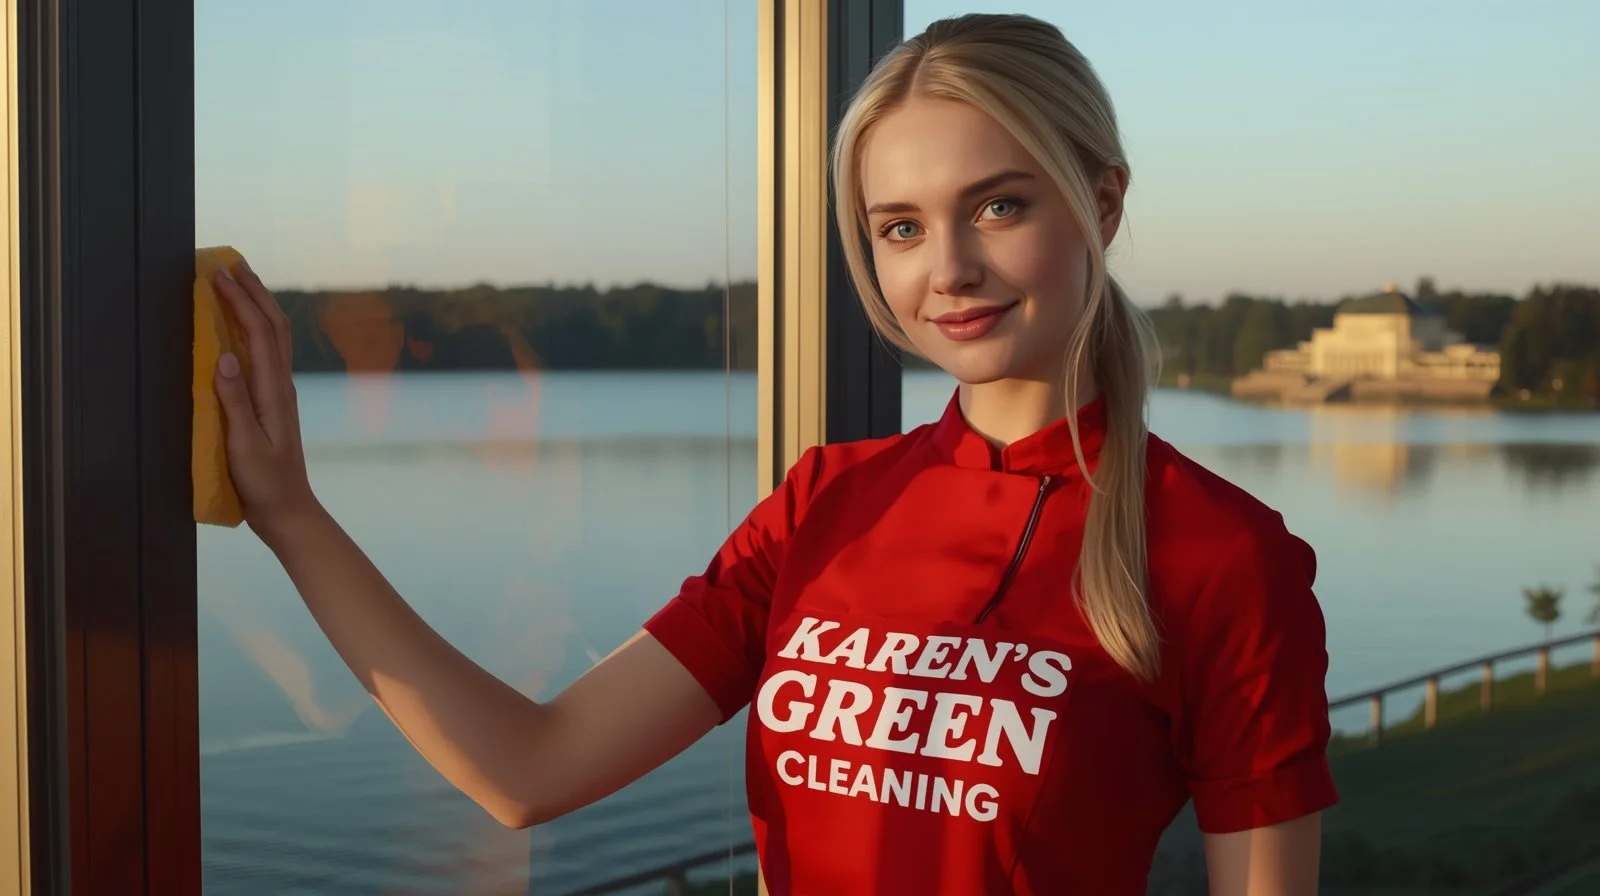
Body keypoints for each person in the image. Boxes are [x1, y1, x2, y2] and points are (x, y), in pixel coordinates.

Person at [209, 12, 1336, 895]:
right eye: (898, 226)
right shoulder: (825, 506)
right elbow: (527, 767)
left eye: (995, 206)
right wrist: (293, 516)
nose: (945, 267)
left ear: (1100, 199)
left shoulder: (1218, 555)